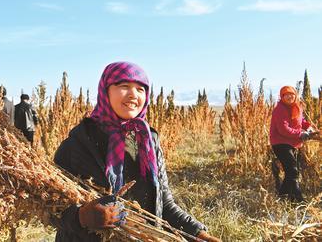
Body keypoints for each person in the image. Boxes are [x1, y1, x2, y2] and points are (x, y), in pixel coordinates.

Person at [53, 62, 220, 242]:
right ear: (105, 90)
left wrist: (198, 234)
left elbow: (163, 204)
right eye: (124, 86)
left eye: (141, 89)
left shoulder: (148, 141)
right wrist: (82, 217)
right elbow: (51, 209)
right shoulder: (78, 143)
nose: (133, 94)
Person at [269, 86, 317, 203]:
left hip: (293, 143)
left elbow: (301, 121)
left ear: (295, 95)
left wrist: (308, 127)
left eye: (292, 94)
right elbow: (283, 129)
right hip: (280, 143)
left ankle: (283, 197)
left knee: (291, 171)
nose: (289, 96)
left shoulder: (297, 107)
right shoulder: (280, 109)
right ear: (282, 97)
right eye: (286, 94)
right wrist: (300, 134)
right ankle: (299, 200)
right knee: (293, 171)